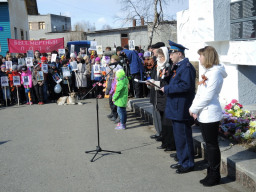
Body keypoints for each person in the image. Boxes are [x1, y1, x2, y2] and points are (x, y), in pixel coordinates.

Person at [189, 46, 227, 186]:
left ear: (208, 56)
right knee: (209, 144)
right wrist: (194, 108)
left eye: (201, 55)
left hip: (210, 113)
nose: (199, 58)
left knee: (212, 146)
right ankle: (211, 172)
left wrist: (194, 108)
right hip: (203, 113)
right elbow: (199, 93)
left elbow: (208, 96)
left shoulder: (215, 73)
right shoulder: (209, 72)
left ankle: (215, 175)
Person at [161, 40, 196, 174]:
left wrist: (168, 88)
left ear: (179, 54)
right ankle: (182, 160)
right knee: (179, 137)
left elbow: (186, 86)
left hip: (181, 107)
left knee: (184, 137)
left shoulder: (186, 67)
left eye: (172, 54)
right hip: (176, 107)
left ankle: (188, 163)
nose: (170, 56)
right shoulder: (179, 66)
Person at [148, 47, 176, 151]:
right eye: (158, 57)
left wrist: (154, 83)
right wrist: (151, 83)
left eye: (161, 57)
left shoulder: (168, 67)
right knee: (163, 123)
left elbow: (166, 83)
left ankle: (170, 144)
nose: (159, 59)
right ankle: (165, 142)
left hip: (165, 98)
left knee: (167, 123)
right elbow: (157, 79)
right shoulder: (158, 67)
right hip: (158, 97)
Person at [148, 42, 165, 141]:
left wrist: (154, 82)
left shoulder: (164, 63)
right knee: (155, 114)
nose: (152, 52)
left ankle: (161, 133)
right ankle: (159, 132)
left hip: (160, 94)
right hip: (154, 92)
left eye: (153, 50)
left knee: (159, 115)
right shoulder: (156, 61)